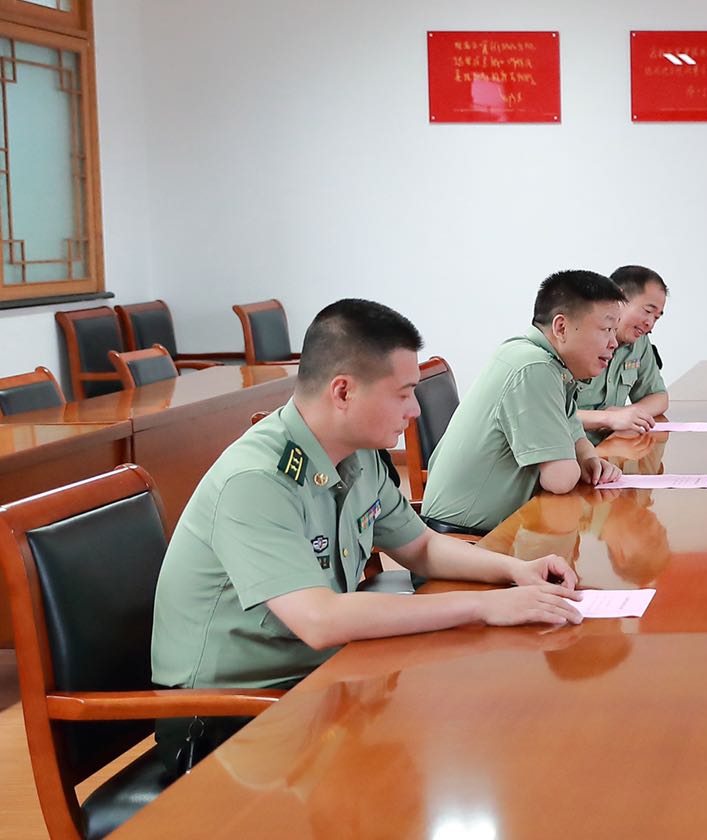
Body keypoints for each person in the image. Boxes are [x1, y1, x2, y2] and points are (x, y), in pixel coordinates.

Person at [150, 299, 585, 774]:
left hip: (317, 680)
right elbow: (320, 620)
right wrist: (484, 607)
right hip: (226, 715)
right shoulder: (256, 480)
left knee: (486, 723)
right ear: (343, 392)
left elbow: (421, 546)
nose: (415, 410)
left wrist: (515, 571)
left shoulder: (355, 456)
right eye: (403, 394)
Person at [421, 270, 626, 533]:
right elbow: (560, 479)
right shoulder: (534, 367)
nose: (614, 343)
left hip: (497, 532)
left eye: (615, 331)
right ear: (561, 328)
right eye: (606, 329)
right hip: (467, 541)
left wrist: (589, 459)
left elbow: (575, 435)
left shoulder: (542, 360)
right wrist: (576, 462)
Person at [576, 265, 670, 442]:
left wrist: (627, 413)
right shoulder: (577, 338)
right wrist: (607, 418)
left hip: (610, 446)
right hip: (571, 450)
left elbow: (659, 397)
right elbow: (547, 415)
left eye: (656, 317)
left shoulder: (638, 341)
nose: (650, 324)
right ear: (619, 298)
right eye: (647, 311)